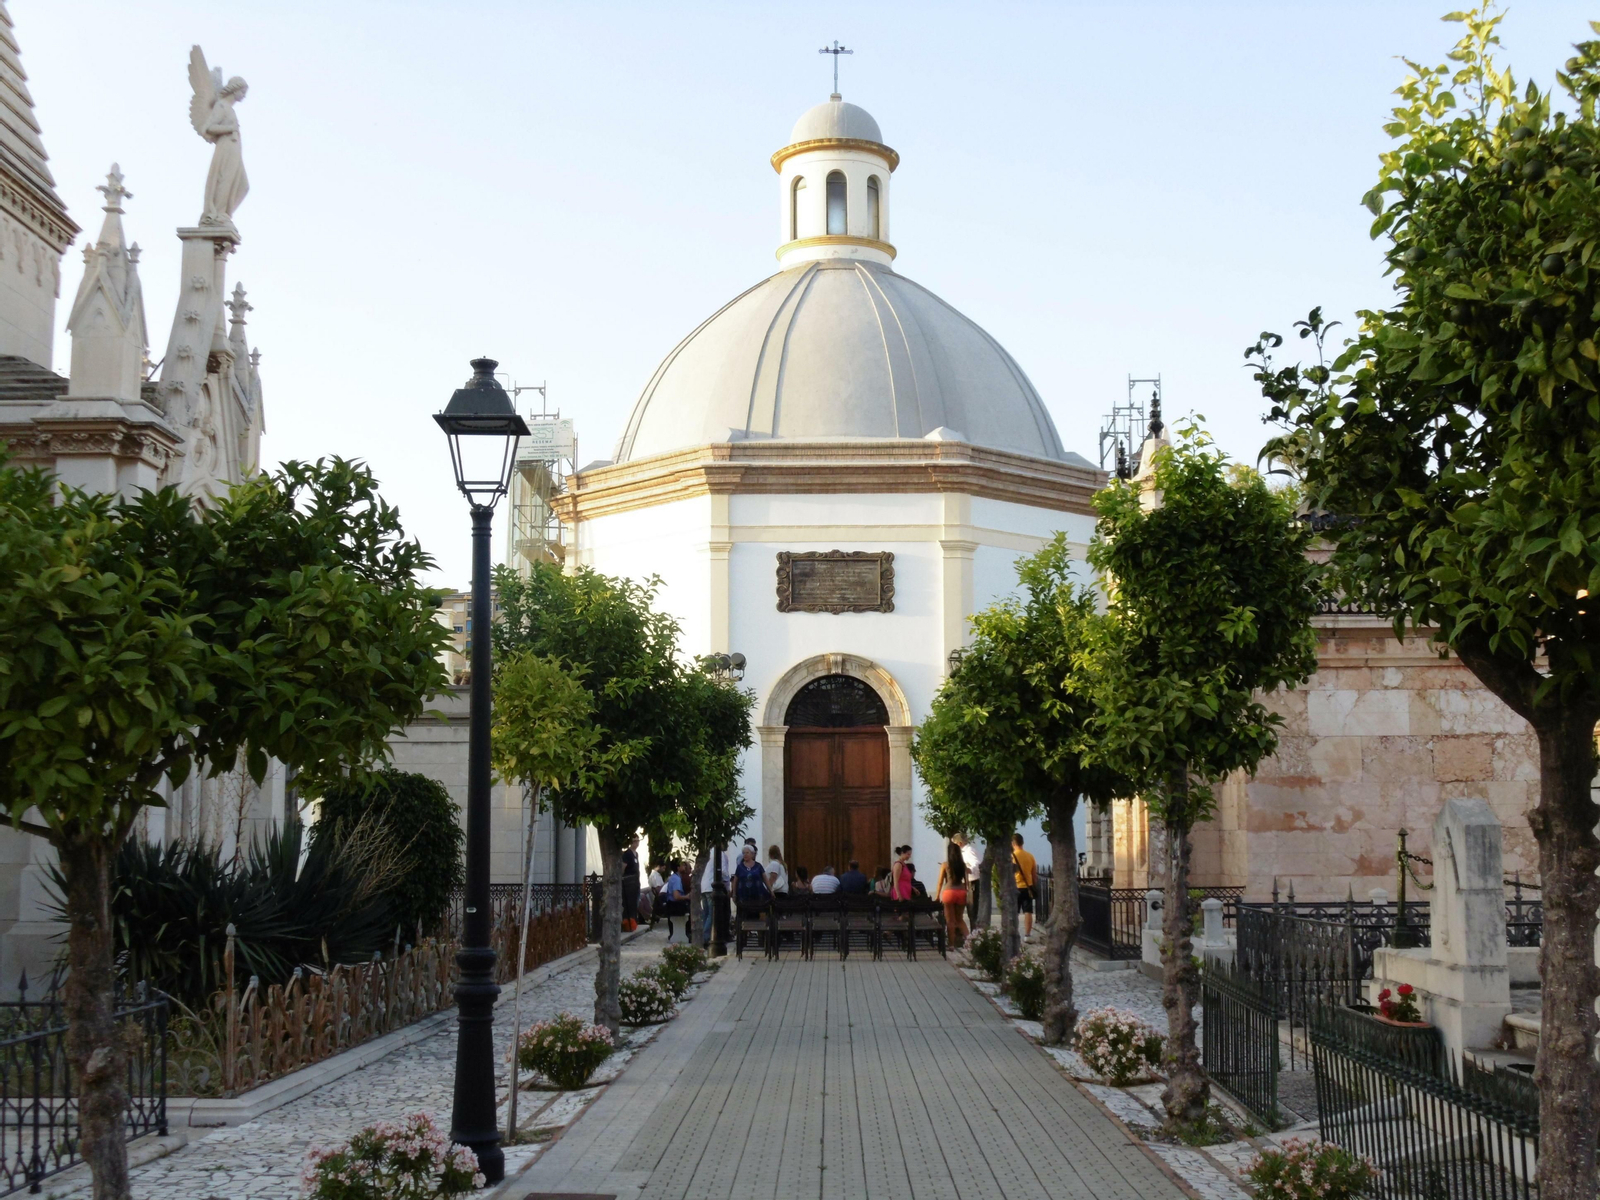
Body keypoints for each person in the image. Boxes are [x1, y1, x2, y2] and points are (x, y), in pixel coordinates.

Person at [700, 839, 739, 944]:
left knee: (706, 913)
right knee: (712, 914)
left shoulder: (707, 853)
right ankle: (706, 937)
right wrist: (728, 885)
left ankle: (702, 936)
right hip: (711, 886)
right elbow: (724, 872)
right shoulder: (720, 854)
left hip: (703, 886)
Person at [935, 840, 970, 948]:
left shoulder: (945, 865)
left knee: (950, 921)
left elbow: (940, 882)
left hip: (949, 892)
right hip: (961, 892)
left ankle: (951, 945)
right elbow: (967, 882)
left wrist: (937, 896)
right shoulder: (963, 865)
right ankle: (971, 942)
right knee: (959, 920)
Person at [1013, 831, 1038, 939]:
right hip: (1028, 887)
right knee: (1028, 911)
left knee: (1014, 912)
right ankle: (1027, 935)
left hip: (1016, 886)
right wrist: (1033, 887)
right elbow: (1034, 874)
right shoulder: (1030, 856)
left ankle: (1014, 933)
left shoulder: (1012, 856)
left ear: (1013, 843)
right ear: (1022, 842)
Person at [658, 861, 690, 941]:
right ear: (678, 868)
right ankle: (687, 934)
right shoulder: (676, 879)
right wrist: (687, 897)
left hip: (671, 905)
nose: (684, 867)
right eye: (682, 865)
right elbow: (676, 896)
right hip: (675, 906)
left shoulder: (674, 877)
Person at [620, 835, 641, 934]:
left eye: (638, 841)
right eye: (634, 841)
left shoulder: (636, 854)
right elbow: (623, 868)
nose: (636, 843)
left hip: (635, 883)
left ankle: (633, 921)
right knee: (629, 904)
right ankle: (628, 923)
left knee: (635, 903)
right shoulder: (627, 854)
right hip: (629, 883)